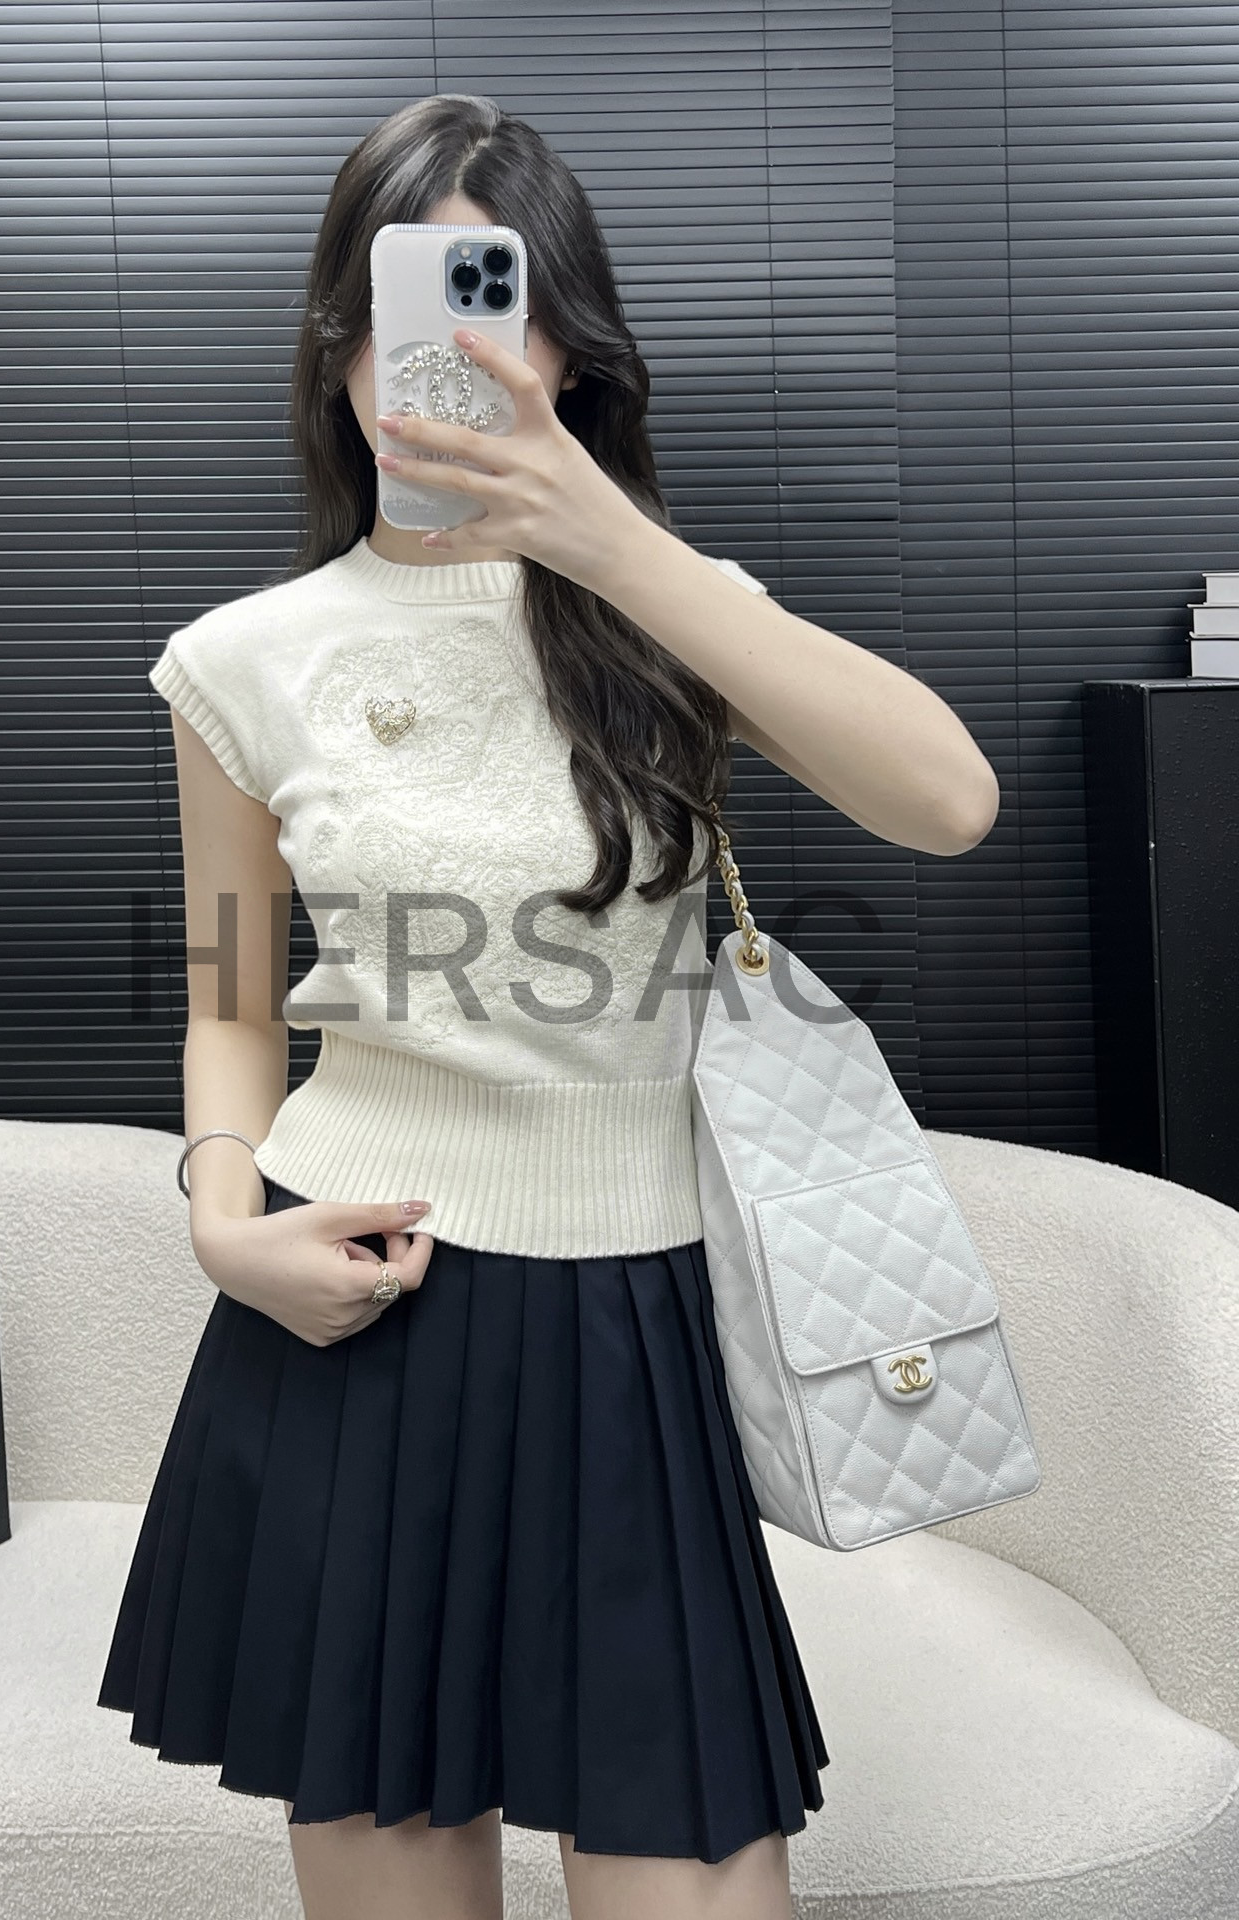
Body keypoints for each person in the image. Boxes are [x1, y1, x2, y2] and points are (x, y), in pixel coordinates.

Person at [96, 93, 1000, 1920]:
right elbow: (232, 998)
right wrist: (219, 1221)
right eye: (398, 311)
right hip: (357, 1306)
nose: (440, 362)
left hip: (632, 1316)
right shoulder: (244, 660)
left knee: (689, 1861)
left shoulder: (676, 612)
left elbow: (948, 803)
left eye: (489, 304)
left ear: (570, 350)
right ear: (338, 347)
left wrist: (611, 543)